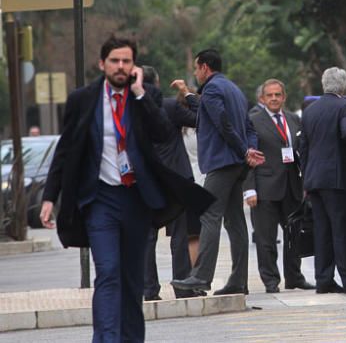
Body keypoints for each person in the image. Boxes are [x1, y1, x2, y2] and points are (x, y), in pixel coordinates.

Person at [40, 35, 212, 342]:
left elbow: (161, 133)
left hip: (136, 199)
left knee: (133, 281)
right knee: (108, 273)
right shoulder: (83, 99)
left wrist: (140, 94)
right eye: (115, 61)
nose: (120, 67)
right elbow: (65, 149)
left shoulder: (147, 96)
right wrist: (50, 197)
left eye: (127, 61)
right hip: (100, 200)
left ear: (134, 66)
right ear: (102, 64)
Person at [171, 49, 264, 296]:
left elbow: (223, 124)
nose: (194, 72)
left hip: (223, 163)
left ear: (204, 67)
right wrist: (249, 150)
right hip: (237, 164)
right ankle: (238, 281)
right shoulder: (232, 89)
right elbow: (242, 124)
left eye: (196, 68)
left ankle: (200, 277)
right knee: (235, 221)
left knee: (209, 216)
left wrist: (245, 150)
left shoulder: (212, 89)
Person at [243, 79, 313, 293]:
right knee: (266, 240)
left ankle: (294, 277)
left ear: (284, 97)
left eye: (278, 95)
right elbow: (247, 156)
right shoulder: (253, 121)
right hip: (264, 189)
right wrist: (249, 188)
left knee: (294, 236)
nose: (274, 98)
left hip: (292, 187)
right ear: (262, 98)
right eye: (269, 95)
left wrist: (305, 183)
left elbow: (301, 151)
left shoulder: (293, 120)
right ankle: (271, 280)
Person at [142, 66, 202, 301]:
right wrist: (188, 94)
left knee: (147, 237)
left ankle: (149, 290)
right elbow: (199, 118)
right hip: (176, 179)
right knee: (179, 236)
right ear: (156, 83)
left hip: (147, 181)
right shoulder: (169, 105)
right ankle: (182, 287)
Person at [300, 67, 346, 293]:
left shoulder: (310, 110)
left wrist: (306, 179)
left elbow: (303, 148)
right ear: (343, 86)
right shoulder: (345, 106)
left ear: (324, 84)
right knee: (342, 230)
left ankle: (323, 279)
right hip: (336, 179)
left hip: (314, 179)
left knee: (322, 231)